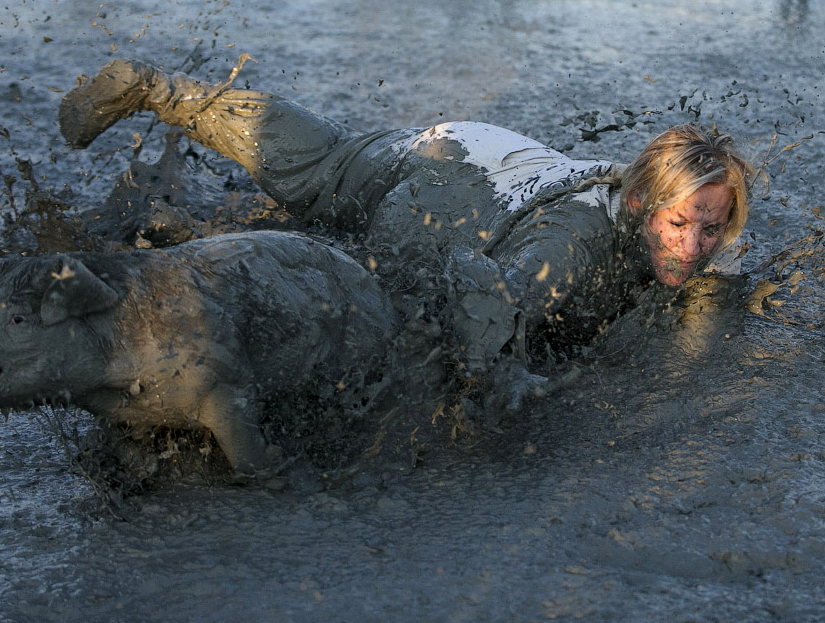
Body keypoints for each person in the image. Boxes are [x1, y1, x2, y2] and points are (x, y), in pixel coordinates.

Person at [57, 58, 756, 408]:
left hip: (473, 146)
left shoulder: (644, 191)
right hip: (444, 187)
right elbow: (482, 300)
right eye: (678, 224)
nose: (693, 247)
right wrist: (511, 385)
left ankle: (158, 89)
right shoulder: (572, 252)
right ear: (640, 201)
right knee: (356, 270)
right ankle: (175, 227)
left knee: (322, 165)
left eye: (712, 230)